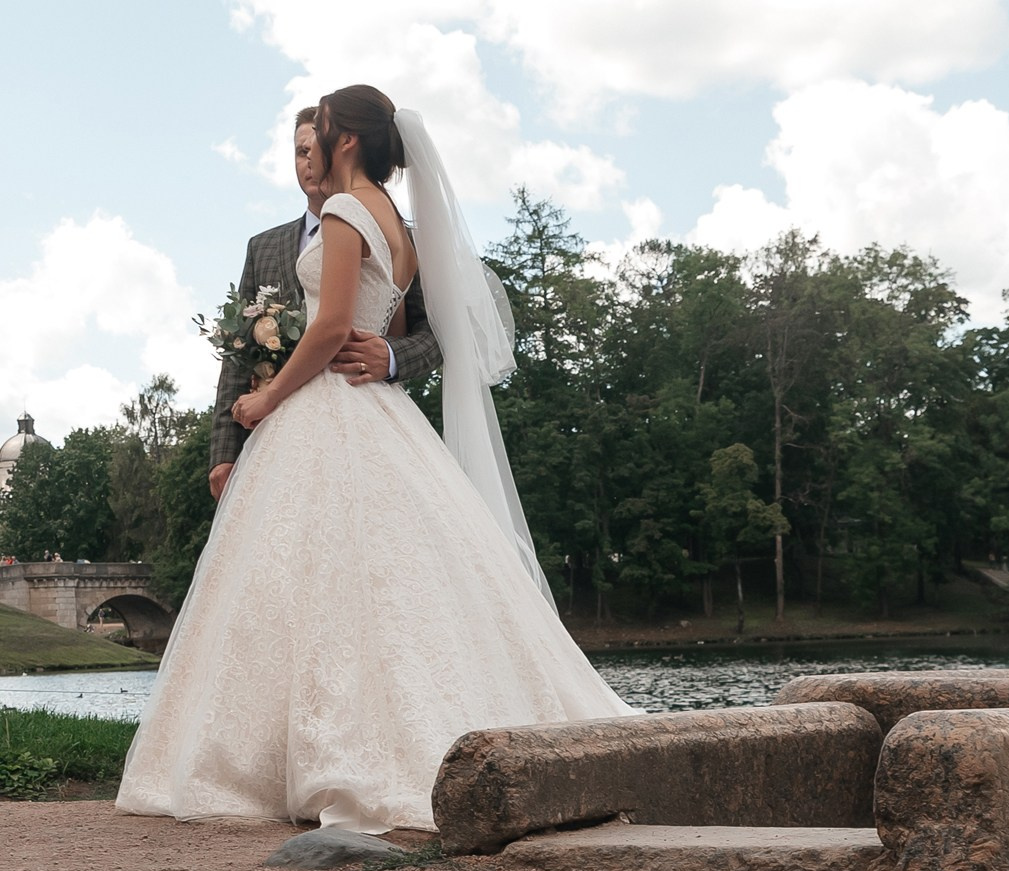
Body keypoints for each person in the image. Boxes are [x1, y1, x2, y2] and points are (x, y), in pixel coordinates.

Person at [118, 85, 635, 833]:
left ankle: (319, 751)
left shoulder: (344, 211)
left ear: (347, 141)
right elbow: (363, 315)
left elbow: (331, 328)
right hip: (383, 418)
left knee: (317, 578)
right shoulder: (396, 222)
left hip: (331, 406)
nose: (315, 143)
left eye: (321, 130)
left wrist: (265, 404)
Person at [208, 108, 440, 503]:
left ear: (341, 145)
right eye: (300, 151)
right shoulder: (262, 247)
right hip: (276, 435)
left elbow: (435, 334)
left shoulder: (398, 234)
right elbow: (237, 354)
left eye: (315, 146)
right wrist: (224, 453)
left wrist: (389, 354)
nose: (309, 160)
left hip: (359, 417)